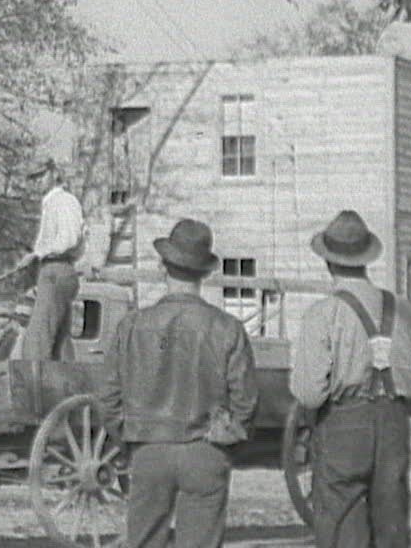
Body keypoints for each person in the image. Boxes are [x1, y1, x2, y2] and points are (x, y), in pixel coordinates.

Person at [97, 218, 258, 548]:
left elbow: (108, 398)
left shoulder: (132, 326)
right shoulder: (228, 328)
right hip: (206, 452)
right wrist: (224, 444)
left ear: (162, 266)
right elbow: (246, 403)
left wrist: (130, 440)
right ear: (206, 273)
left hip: (148, 450)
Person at [290, 210, 411, 548]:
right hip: (393, 426)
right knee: (391, 528)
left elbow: (310, 393)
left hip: (343, 425)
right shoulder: (406, 311)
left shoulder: (322, 314)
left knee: (342, 526)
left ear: (328, 262)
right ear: (366, 260)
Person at [16, 162, 87, 361]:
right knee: (60, 342)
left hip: (57, 270)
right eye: (33, 178)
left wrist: (37, 254)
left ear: (54, 173)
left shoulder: (63, 200)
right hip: (52, 270)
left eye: (41, 175)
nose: (37, 182)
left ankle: (32, 380)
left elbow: (69, 239)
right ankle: (67, 378)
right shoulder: (50, 203)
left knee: (36, 341)